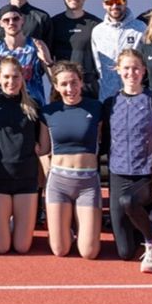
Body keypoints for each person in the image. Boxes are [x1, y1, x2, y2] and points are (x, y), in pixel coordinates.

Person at [102, 49, 152, 271]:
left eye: (136, 68)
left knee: (129, 201)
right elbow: (105, 139)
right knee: (125, 253)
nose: (131, 73)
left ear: (144, 71)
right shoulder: (110, 103)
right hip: (119, 173)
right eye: (126, 68)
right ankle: (150, 225)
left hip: (146, 175)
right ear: (118, 70)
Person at [0, 56, 44, 255]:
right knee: (2, 247)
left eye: (15, 77)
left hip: (26, 179)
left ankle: (13, 223)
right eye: (6, 77)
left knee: (22, 247)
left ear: (23, 77)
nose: (11, 82)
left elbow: (41, 144)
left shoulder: (34, 106)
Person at [40, 61, 102, 259]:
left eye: (74, 82)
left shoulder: (96, 108)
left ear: (81, 82)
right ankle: (63, 230)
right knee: (60, 250)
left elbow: (101, 140)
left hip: (88, 184)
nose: (70, 89)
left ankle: (80, 230)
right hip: (59, 183)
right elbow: (43, 150)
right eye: (64, 84)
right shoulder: (48, 112)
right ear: (56, 87)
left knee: (89, 252)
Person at [0, 5, 53, 106]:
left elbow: (55, 82)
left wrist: (48, 61)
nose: (11, 23)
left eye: (15, 19)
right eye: (6, 20)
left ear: (22, 20)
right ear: (0, 23)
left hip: (34, 103)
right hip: (4, 105)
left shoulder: (37, 45)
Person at [90, 0, 147, 101]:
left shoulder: (140, 28)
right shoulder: (98, 31)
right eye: (109, 2)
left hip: (136, 96)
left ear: (125, 2)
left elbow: (146, 62)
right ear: (103, 5)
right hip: (107, 97)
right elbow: (98, 66)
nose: (114, 6)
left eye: (119, 1)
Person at [48, 0, 101, 83]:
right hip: (63, 85)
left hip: (88, 84)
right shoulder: (53, 23)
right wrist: (54, 81)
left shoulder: (96, 25)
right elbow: (47, 58)